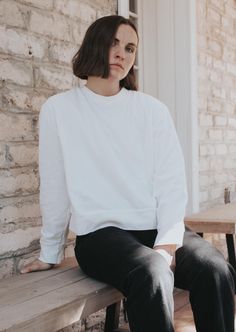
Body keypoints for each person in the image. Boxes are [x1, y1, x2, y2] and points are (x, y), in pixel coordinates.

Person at [21, 15, 235, 332]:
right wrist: (50, 251)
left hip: (152, 228)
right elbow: (55, 187)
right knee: (152, 272)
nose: (123, 53)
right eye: (114, 43)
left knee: (216, 268)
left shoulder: (151, 110)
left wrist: (166, 244)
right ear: (95, 44)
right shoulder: (60, 109)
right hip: (99, 237)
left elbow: (172, 184)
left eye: (131, 47)